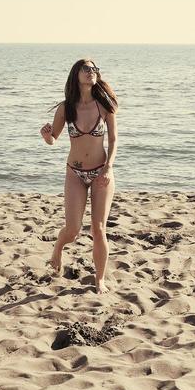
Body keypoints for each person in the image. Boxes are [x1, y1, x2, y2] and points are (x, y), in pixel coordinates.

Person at [39, 58, 119, 293]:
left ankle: (100, 279)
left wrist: (108, 167)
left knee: (99, 228)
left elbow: (113, 140)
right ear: (76, 74)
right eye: (86, 69)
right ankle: (57, 249)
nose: (91, 72)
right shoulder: (67, 108)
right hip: (74, 172)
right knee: (73, 230)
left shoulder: (105, 105)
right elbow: (54, 138)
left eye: (94, 69)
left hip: (102, 172)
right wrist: (47, 137)